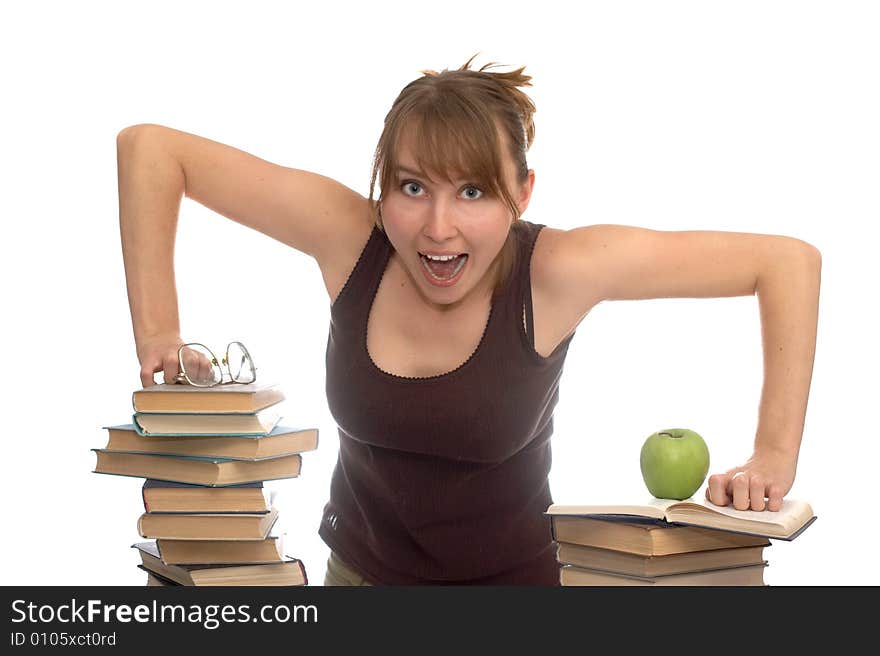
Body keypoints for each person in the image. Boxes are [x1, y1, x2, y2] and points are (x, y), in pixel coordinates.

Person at [116, 55, 821, 585]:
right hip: (356, 579)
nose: (438, 228)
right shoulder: (352, 240)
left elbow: (786, 263)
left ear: (522, 192)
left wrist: (774, 455)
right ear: (382, 185)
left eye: (475, 190)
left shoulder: (558, 270)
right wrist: (159, 337)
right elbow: (151, 148)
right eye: (412, 186)